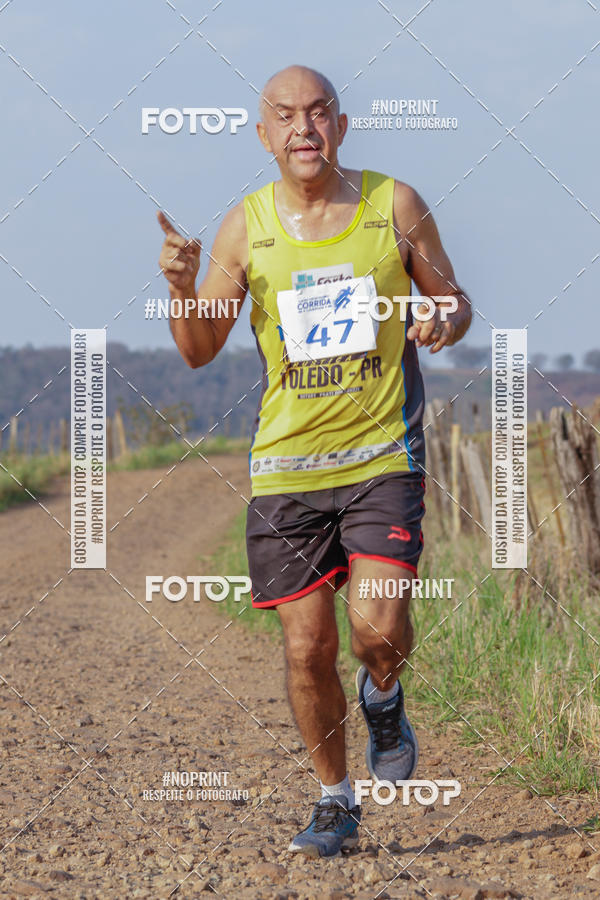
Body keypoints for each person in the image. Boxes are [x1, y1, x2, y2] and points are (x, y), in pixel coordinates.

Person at [158, 64, 472, 858]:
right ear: (264, 135)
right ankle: (336, 799)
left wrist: (442, 316)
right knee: (306, 648)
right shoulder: (246, 227)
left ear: (341, 125)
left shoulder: (391, 203)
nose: (303, 127)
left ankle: (386, 694)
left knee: (375, 628)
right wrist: (182, 289)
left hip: (381, 458)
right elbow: (199, 349)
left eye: (319, 112)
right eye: (285, 116)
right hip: (286, 472)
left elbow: (454, 299)